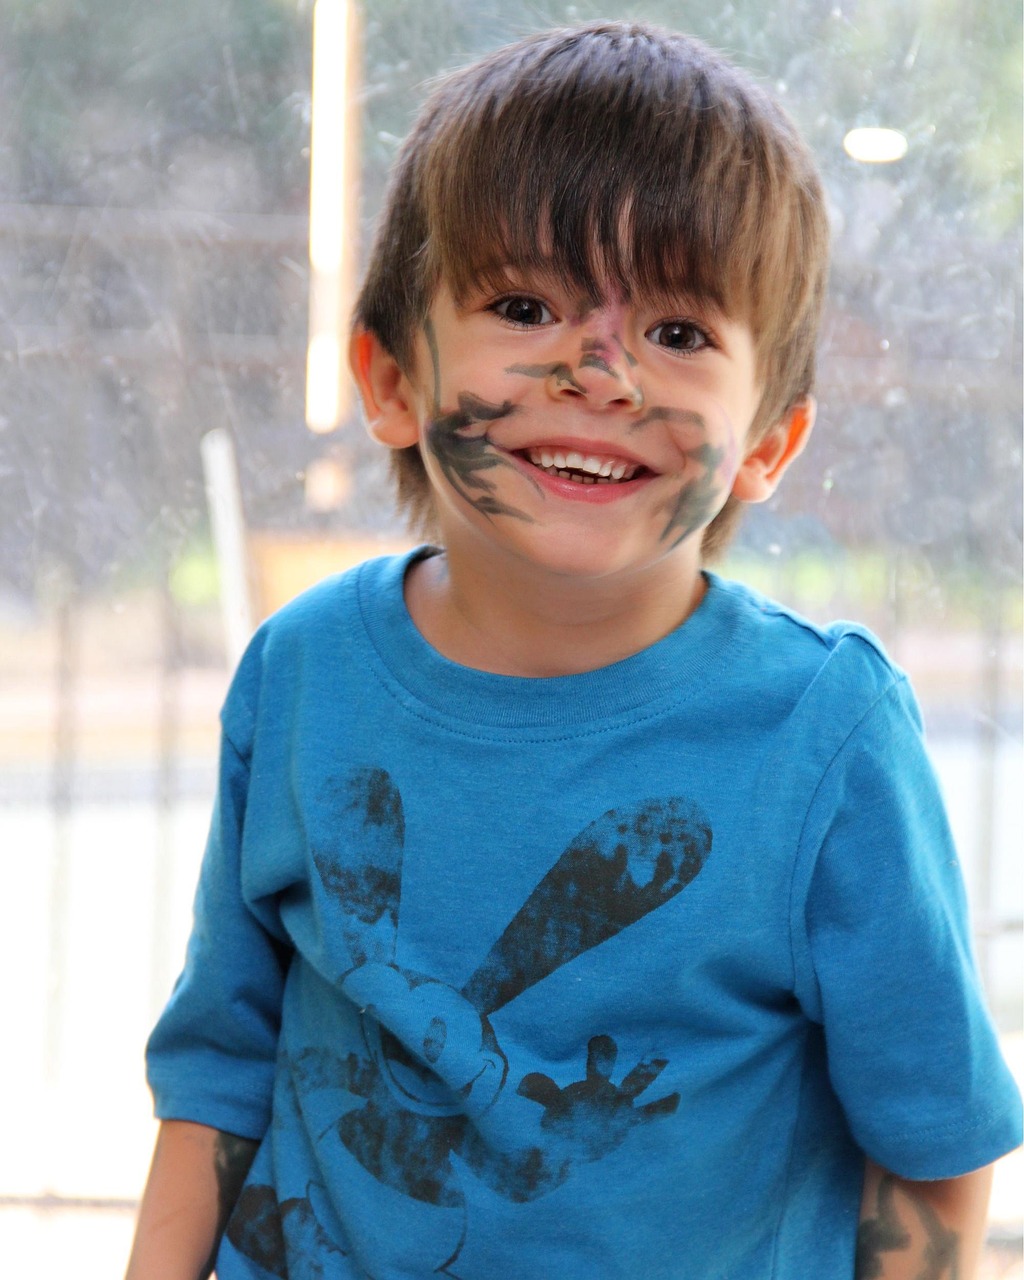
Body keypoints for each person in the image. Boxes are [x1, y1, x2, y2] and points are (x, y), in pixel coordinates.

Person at [126, 21, 1021, 1280]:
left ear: (768, 439)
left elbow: (930, 1135)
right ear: (386, 380)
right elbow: (217, 1065)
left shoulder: (823, 728)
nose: (598, 371)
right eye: (522, 304)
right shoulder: (301, 670)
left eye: (677, 333)